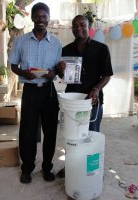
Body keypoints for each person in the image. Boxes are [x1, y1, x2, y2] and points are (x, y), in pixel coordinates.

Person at [9, 2, 62, 183]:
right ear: (32, 18)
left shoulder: (56, 43)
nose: (41, 19)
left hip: (49, 91)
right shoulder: (21, 41)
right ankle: (27, 168)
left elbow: (58, 68)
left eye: (44, 16)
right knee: (28, 131)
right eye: (37, 16)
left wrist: (53, 73)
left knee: (51, 130)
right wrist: (25, 73)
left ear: (48, 19)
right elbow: (14, 65)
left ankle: (47, 167)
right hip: (30, 91)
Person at [56, 15, 113, 177]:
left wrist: (96, 89)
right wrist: (60, 69)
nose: (78, 28)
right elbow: (63, 77)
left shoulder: (101, 49)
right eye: (75, 25)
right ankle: (71, 167)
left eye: (82, 25)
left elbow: (107, 75)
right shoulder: (65, 50)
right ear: (72, 28)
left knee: (91, 136)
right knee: (71, 137)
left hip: (92, 101)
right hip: (71, 102)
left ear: (89, 26)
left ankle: (90, 171)